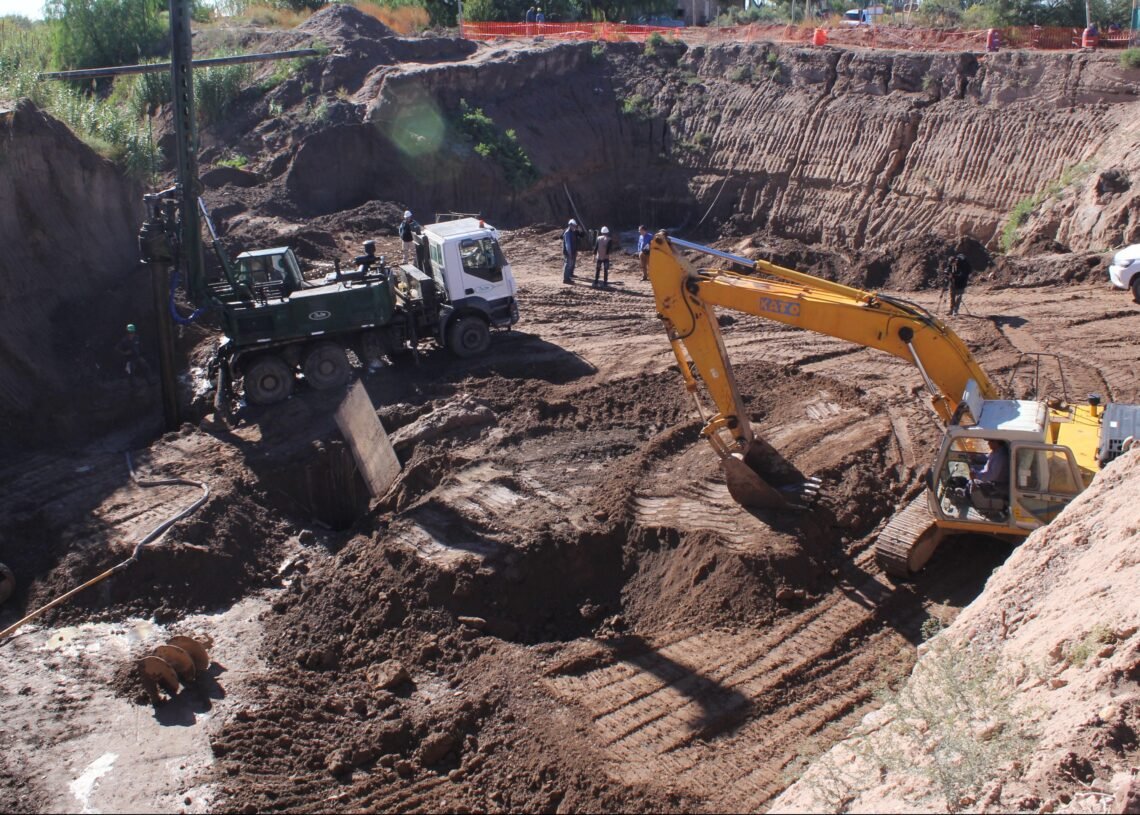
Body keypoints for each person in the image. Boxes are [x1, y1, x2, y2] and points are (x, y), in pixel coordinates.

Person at [948, 252, 972, 316]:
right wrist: (947, 273)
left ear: (956, 260)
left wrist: (953, 276)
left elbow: (963, 275)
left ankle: (955, 310)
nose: (952, 265)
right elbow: (948, 269)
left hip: (961, 282)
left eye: (953, 263)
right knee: (952, 295)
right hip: (953, 282)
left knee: (958, 296)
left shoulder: (963, 265)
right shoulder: (951, 263)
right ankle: (951, 309)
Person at [562, 218, 585, 284]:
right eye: (574, 226)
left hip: (572, 251)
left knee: (570, 264)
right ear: (570, 225)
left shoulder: (573, 232)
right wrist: (570, 253)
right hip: (569, 252)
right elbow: (568, 245)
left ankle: (568, 277)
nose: (575, 227)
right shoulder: (568, 233)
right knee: (568, 265)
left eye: (575, 226)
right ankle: (566, 279)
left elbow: (582, 235)